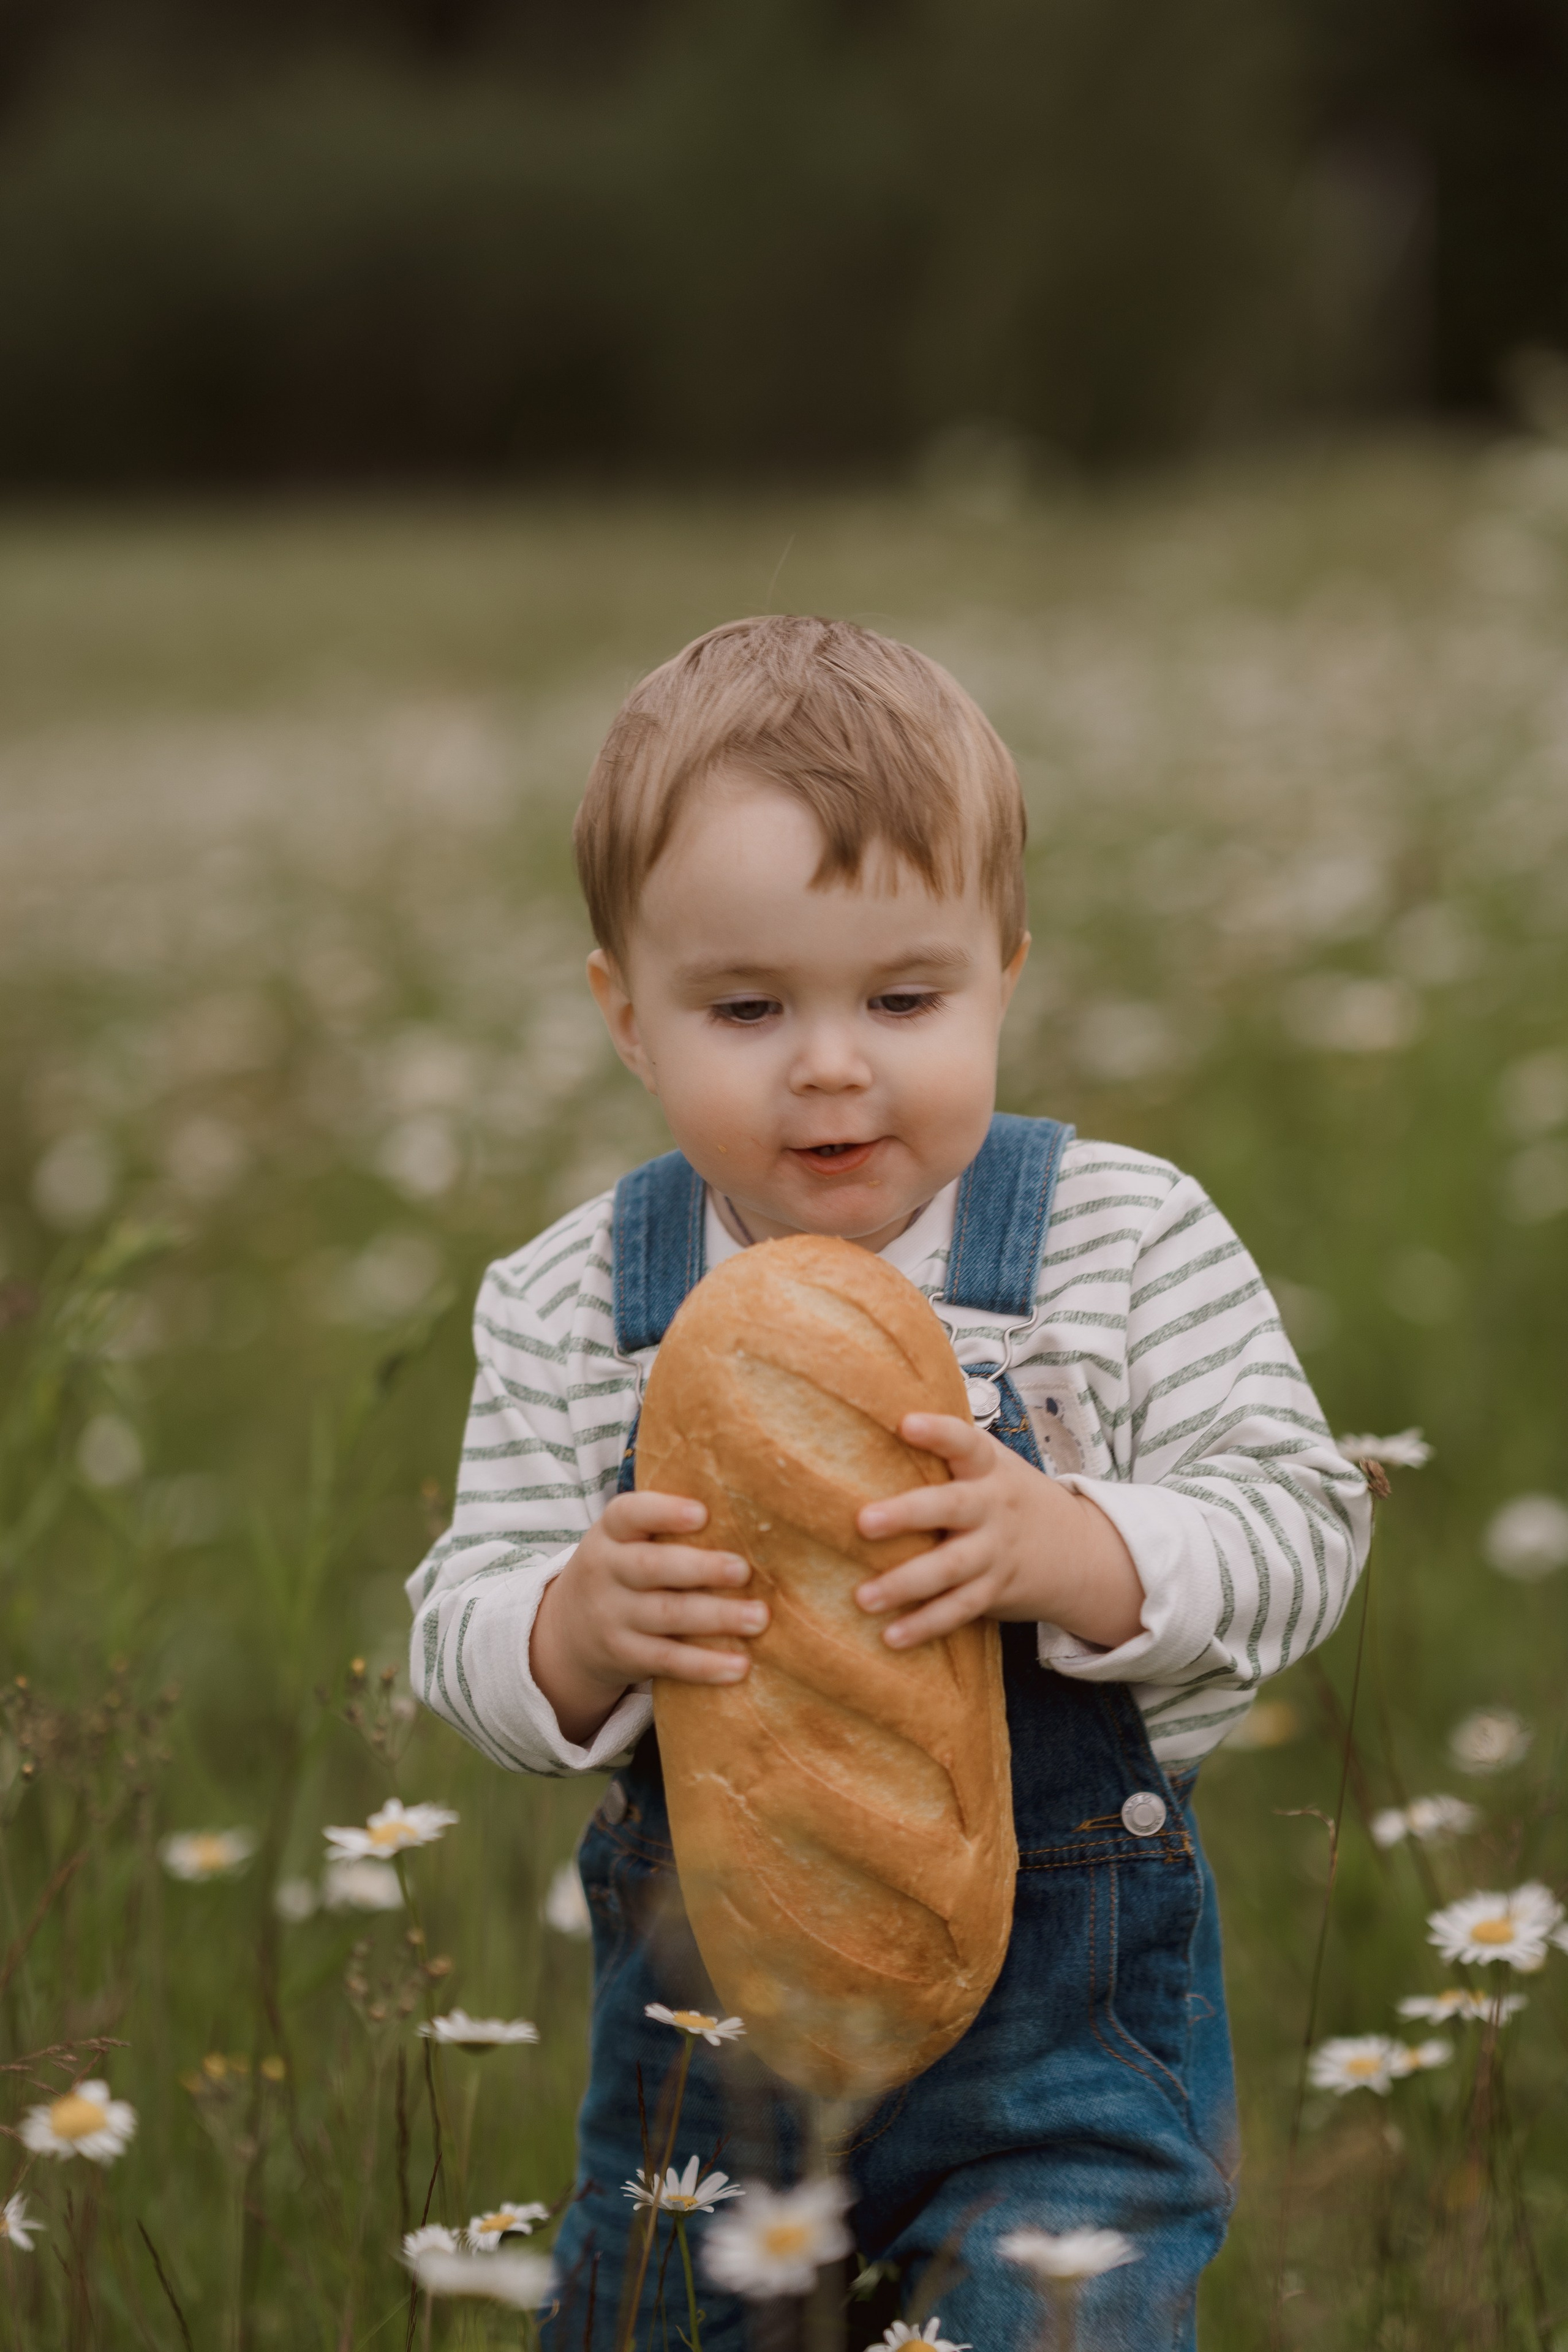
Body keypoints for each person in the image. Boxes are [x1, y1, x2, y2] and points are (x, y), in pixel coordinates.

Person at [406, 616, 1370, 2349]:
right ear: (629, 1016)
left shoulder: (1121, 1240)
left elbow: (1307, 1522)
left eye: (905, 999)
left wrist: (1076, 1548)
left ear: (1007, 971)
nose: (832, 1063)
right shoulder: (569, 1299)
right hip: (713, 2047)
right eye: (749, 1006)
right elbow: (457, 1626)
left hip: (1063, 2045)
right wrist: (573, 1627)